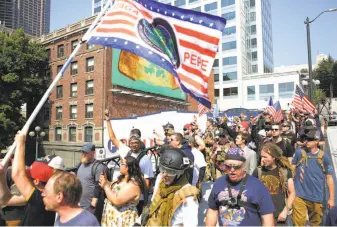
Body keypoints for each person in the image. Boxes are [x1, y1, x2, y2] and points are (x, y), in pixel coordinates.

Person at [205, 147, 275, 226]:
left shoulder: (258, 187)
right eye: (228, 166)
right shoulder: (218, 183)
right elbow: (212, 212)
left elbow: (267, 218)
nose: (232, 170)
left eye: (236, 167)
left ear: (244, 165)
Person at [0, 131, 56, 226]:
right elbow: (4, 199)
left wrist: (20, 143)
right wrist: (2, 175)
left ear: (37, 181)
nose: (26, 178)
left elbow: (17, 174)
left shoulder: (41, 198)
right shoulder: (34, 197)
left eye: (29, 176)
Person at [105, 110, 153, 214]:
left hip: (135, 198)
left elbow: (147, 182)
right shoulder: (125, 150)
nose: (133, 144)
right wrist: (108, 121)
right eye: (131, 142)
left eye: (136, 142)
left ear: (140, 142)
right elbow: (113, 139)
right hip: (121, 192)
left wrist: (143, 200)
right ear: (129, 142)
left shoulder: (145, 159)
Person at [143, 148, 199, 226]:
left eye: (170, 172)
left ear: (180, 173)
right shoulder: (161, 182)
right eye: (163, 169)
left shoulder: (188, 195)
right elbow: (153, 204)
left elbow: (190, 224)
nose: (164, 175)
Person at [291, 128, 335, 226]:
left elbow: (329, 178)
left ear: (317, 141)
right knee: (298, 223)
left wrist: (331, 199)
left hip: (317, 197)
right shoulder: (299, 153)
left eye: (310, 139)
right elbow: (292, 170)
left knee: (316, 223)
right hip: (299, 195)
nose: (306, 141)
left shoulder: (324, 157)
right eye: (306, 139)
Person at [252, 143, 296, 226]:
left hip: (279, 217)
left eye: (265, 157)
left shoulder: (285, 172)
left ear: (274, 157)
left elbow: (292, 193)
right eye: (261, 157)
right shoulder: (258, 172)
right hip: (262, 216)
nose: (262, 160)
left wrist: (285, 211)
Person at [99, 156, 144, 227]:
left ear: (128, 167)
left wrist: (105, 186)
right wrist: (105, 180)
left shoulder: (133, 185)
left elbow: (117, 201)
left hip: (123, 220)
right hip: (113, 218)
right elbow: (114, 188)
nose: (120, 165)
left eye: (122, 164)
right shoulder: (122, 178)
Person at [77, 143, 105, 213]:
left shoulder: (98, 166)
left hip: (90, 207)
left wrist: (92, 206)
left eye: (86, 153)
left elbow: (98, 187)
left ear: (93, 153)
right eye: (83, 152)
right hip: (79, 205)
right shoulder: (81, 164)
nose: (83, 154)